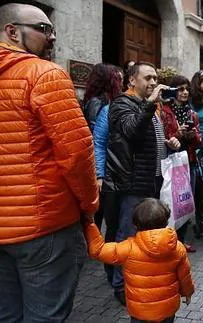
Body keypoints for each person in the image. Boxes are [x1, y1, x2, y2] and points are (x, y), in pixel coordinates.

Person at [0, 3, 99, 322]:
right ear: (11, 31)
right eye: (44, 29)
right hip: (43, 225)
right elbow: (77, 153)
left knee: (2, 316)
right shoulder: (43, 74)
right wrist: (89, 204)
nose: (53, 37)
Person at [103, 61, 181, 305]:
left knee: (143, 237)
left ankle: (138, 281)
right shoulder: (121, 104)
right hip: (132, 185)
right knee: (127, 237)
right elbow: (131, 131)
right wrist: (149, 105)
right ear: (131, 81)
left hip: (151, 180)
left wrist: (168, 144)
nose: (153, 83)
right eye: (147, 78)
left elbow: (147, 141)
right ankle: (119, 287)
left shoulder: (149, 106)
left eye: (155, 78)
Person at [83, 198, 195, 323]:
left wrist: (90, 223)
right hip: (167, 310)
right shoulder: (178, 247)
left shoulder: (128, 248)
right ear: (166, 221)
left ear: (136, 225)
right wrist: (188, 293)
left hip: (140, 312)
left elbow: (98, 250)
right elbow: (184, 276)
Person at [83, 63, 124, 284]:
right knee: (100, 211)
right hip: (102, 166)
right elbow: (96, 138)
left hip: (107, 167)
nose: (122, 81)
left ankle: (96, 245)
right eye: (118, 77)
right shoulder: (98, 103)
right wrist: (99, 173)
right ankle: (96, 247)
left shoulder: (105, 101)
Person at [160, 74, 201, 253]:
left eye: (186, 89)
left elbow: (199, 140)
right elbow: (164, 138)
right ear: (173, 91)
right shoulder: (164, 111)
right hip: (170, 163)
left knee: (185, 202)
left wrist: (193, 136)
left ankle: (181, 241)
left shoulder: (192, 113)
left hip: (188, 162)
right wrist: (178, 133)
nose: (184, 92)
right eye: (180, 89)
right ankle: (168, 240)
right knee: (170, 202)